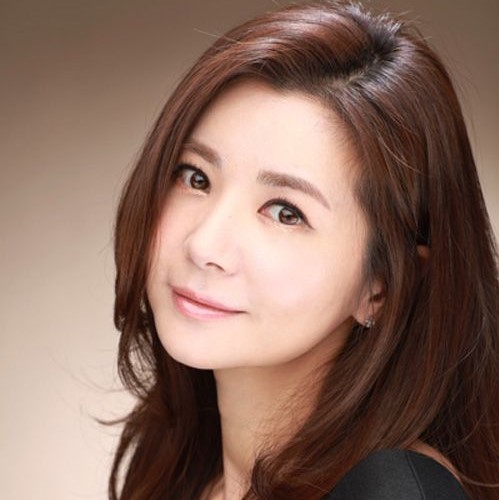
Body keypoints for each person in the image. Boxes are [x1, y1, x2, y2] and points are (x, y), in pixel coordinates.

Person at [108, 1, 499, 498]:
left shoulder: (393, 491)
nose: (204, 244)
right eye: (196, 177)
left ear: (381, 286)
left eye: (285, 212)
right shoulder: (183, 475)